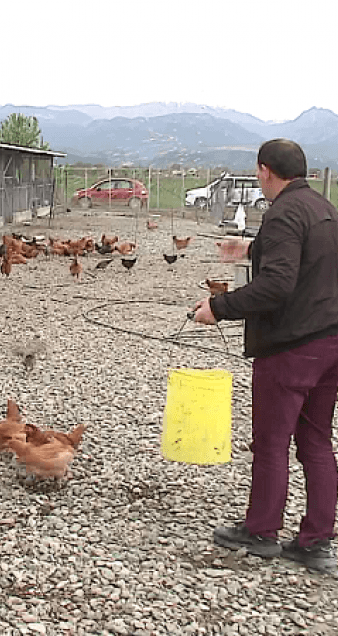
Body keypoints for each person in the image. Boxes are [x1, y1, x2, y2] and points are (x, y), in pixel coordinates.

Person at [193, 139, 338, 573]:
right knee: (315, 441)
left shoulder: (281, 215)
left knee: (272, 442)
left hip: (292, 346)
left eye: (258, 173)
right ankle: (315, 541)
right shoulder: (325, 211)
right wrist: (253, 251)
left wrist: (218, 308)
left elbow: (276, 285)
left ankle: (261, 531)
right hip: (331, 343)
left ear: (265, 170)